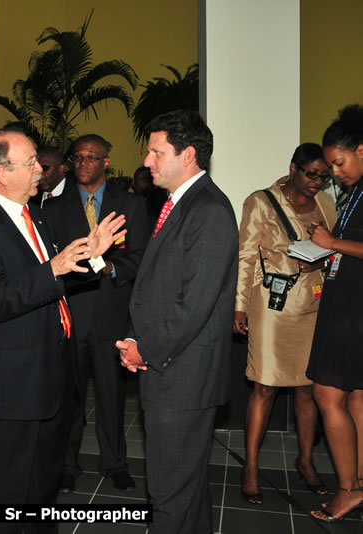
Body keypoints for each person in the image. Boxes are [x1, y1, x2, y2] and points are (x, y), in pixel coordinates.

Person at [0, 129, 125, 534]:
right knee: (5, 496)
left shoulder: (32, 216)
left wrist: (92, 256)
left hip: (49, 376)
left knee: (39, 492)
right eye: (31, 162)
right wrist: (53, 268)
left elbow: (57, 283)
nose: (41, 169)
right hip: (13, 386)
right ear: (0, 171)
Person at [116, 110, 238, 534]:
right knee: (185, 489)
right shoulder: (178, 203)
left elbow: (194, 305)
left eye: (155, 152)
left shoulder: (208, 210)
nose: (147, 161)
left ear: (187, 155)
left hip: (183, 375)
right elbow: (159, 287)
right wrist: (135, 337)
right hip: (171, 367)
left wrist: (144, 349)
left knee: (169, 493)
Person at [42, 134, 149, 493]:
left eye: (91, 157)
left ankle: (114, 462)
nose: (83, 163)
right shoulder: (54, 209)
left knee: (111, 396)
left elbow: (139, 259)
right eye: (78, 157)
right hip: (71, 315)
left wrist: (108, 269)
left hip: (110, 315)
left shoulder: (129, 205)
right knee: (69, 396)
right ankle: (68, 465)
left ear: (106, 162)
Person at [233, 143, 336, 505]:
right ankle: (251, 466)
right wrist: (239, 305)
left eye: (323, 176)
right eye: (311, 174)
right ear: (293, 168)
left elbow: (335, 248)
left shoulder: (326, 202)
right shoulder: (260, 201)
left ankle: (306, 461)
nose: (317, 182)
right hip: (273, 306)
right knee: (265, 387)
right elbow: (246, 254)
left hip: (314, 302)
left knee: (308, 387)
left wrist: (322, 262)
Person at [305, 104, 363, 523]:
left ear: (361, 150)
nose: (334, 173)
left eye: (339, 164)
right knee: (358, 399)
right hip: (347, 303)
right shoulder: (356, 191)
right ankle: (358, 484)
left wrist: (332, 242)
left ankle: (345, 491)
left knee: (327, 395)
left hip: (353, 314)